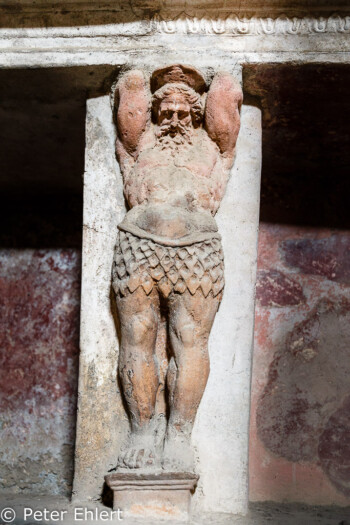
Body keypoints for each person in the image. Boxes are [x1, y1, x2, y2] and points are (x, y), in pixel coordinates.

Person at [112, 64, 242, 471]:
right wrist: (145, 78)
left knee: (189, 342)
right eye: (165, 111)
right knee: (136, 337)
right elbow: (132, 93)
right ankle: (141, 434)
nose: (173, 119)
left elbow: (226, 92)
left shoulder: (213, 149)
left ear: (198, 113)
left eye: (183, 112)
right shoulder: (140, 146)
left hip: (197, 249)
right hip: (138, 246)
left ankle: (179, 437)